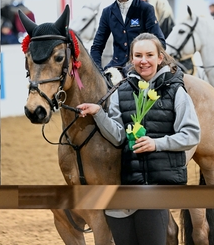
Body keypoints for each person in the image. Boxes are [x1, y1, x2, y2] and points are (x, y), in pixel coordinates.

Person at [77, 32, 200, 245]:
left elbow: (191, 134)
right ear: (132, 59)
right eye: (138, 55)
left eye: (149, 55)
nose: (143, 61)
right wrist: (98, 113)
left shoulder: (175, 90)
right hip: (130, 184)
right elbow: (117, 137)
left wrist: (156, 143)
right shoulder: (121, 91)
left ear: (160, 57)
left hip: (159, 185)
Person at [90, 0, 166, 73]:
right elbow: (97, 47)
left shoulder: (145, 9)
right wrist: (98, 71)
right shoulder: (107, 12)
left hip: (142, 66)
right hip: (117, 68)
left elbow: (160, 42)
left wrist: (146, 60)